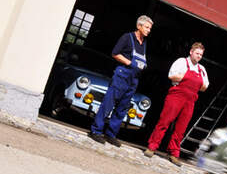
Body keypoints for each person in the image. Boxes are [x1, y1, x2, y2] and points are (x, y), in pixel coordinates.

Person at [89, 15, 152, 146]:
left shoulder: (144, 43)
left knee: (122, 108)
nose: (148, 30)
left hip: (134, 79)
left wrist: (143, 65)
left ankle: (111, 134)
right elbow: (115, 53)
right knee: (108, 103)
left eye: (150, 28)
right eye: (147, 27)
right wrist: (130, 63)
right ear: (139, 26)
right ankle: (96, 131)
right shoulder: (127, 38)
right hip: (122, 75)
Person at [144, 42, 210, 166]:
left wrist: (189, 79)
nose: (199, 56)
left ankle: (174, 153)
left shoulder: (202, 69)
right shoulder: (181, 62)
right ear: (191, 52)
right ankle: (152, 147)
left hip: (190, 101)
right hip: (176, 97)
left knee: (181, 128)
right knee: (164, 122)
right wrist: (187, 78)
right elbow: (171, 76)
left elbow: (205, 86)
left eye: (201, 54)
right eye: (197, 53)